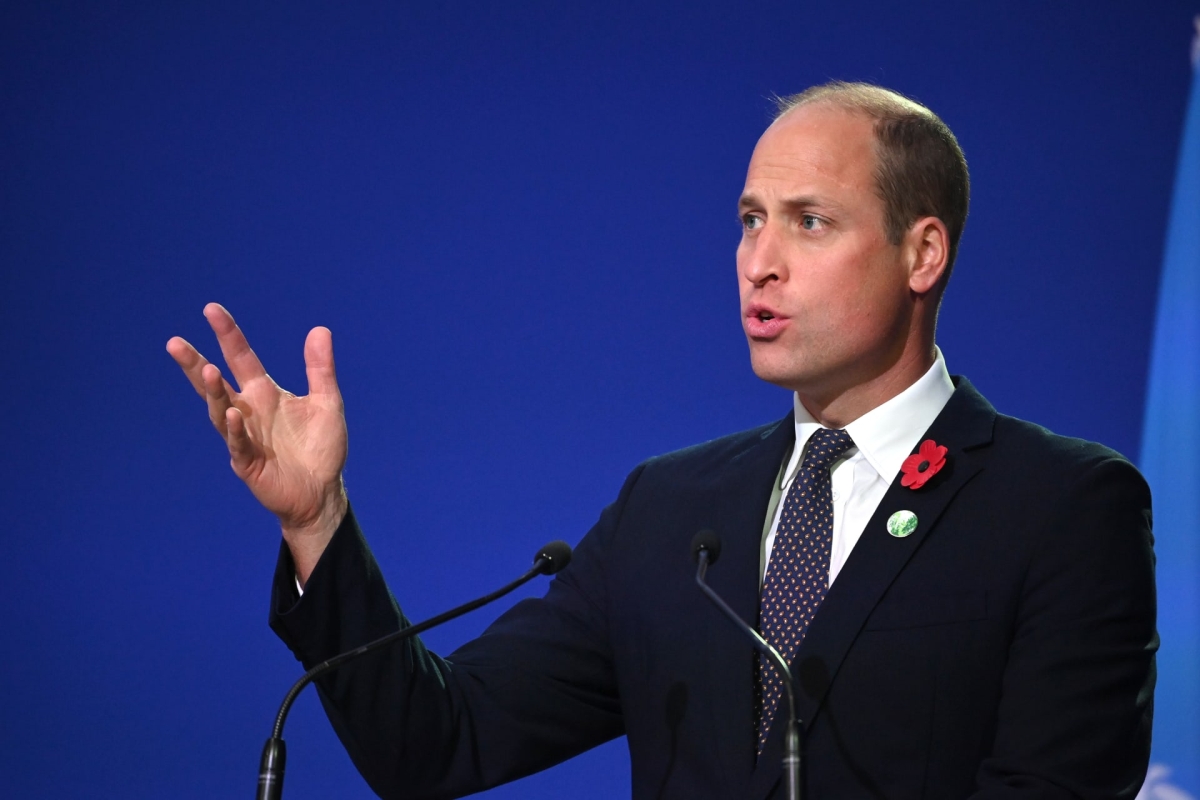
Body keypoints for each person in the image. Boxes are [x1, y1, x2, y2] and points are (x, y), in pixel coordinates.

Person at [168, 82, 1157, 799]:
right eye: (750, 220)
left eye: (810, 222)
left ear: (922, 253)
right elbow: (436, 741)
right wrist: (318, 521)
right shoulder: (673, 509)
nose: (759, 262)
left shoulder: (1061, 506)